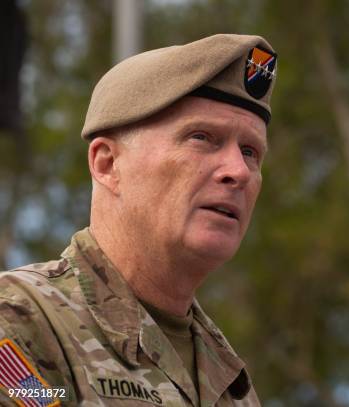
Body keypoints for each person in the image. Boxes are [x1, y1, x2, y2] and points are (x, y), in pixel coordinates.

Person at [0, 33, 277, 406]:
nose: (238, 171)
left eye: (250, 151)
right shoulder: (21, 323)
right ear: (108, 164)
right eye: (202, 137)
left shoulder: (231, 382)